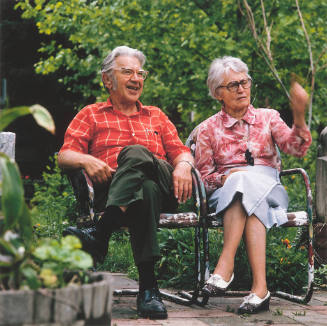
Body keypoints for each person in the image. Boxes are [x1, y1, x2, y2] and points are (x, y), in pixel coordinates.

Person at [58, 45, 194, 319]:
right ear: (107, 80)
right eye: (128, 72)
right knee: (144, 189)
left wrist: (184, 166)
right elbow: (65, 155)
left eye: (140, 73)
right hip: (115, 191)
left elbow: (181, 151)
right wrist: (86, 160)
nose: (136, 78)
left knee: (135, 153)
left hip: (164, 182)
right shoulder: (91, 114)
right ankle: (148, 289)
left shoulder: (156, 115)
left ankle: (100, 234)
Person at [195, 56, 311, 314]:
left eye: (244, 82)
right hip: (227, 196)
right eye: (233, 84)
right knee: (242, 186)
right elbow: (203, 178)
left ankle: (225, 265)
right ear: (218, 94)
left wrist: (299, 116)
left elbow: (295, 148)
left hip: (270, 189)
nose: (241, 89)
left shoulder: (268, 117)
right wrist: (225, 178)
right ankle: (260, 289)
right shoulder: (207, 130)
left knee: (245, 181)